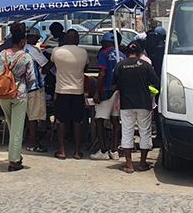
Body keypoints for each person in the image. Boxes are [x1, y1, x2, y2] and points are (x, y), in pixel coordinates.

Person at [0, 24, 35, 172]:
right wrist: (22, 84)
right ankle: (14, 160)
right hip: (19, 93)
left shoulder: (2, 54)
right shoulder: (26, 56)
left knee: (11, 124)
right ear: (23, 42)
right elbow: (31, 78)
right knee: (17, 127)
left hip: (3, 95)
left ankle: (15, 154)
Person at [113, 41, 160, 174]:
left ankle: (128, 165)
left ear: (127, 53)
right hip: (143, 103)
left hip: (126, 104)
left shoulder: (120, 65)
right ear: (140, 53)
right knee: (145, 132)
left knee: (127, 132)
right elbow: (156, 82)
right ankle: (142, 163)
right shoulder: (146, 65)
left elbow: (114, 84)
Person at [51, 29, 89, 160]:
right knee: (77, 121)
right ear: (77, 39)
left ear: (66, 38)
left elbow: (53, 65)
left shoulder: (56, 51)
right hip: (78, 91)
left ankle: (61, 150)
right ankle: (77, 151)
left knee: (61, 121)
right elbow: (86, 68)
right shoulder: (83, 52)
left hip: (61, 90)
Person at [91, 31, 125, 161]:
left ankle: (103, 150)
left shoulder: (104, 54)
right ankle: (115, 150)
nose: (101, 45)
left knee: (99, 119)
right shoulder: (121, 55)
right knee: (115, 120)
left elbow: (102, 73)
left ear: (107, 42)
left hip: (105, 90)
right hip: (117, 91)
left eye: (103, 42)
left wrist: (97, 92)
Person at [24, 27, 52, 153]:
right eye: (36, 37)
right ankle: (33, 142)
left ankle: (28, 139)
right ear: (30, 37)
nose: (37, 40)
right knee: (33, 116)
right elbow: (45, 65)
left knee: (27, 115)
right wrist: (54, 58)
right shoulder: (31, 50)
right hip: (34, 86)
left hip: (23, 86)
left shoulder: (22, 48)